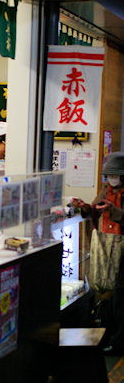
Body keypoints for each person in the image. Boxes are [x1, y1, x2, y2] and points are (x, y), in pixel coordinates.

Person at [71, 151, 124, 355]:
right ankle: (107, 335)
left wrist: (113, 210)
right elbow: (94, 209)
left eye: (115, 175)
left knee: (120, 297)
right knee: (106, 293)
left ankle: (118, 342)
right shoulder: (105, 190)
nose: (112, 179)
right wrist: (83, 206)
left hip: (121, 248)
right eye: (109, 175)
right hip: (105, 246)